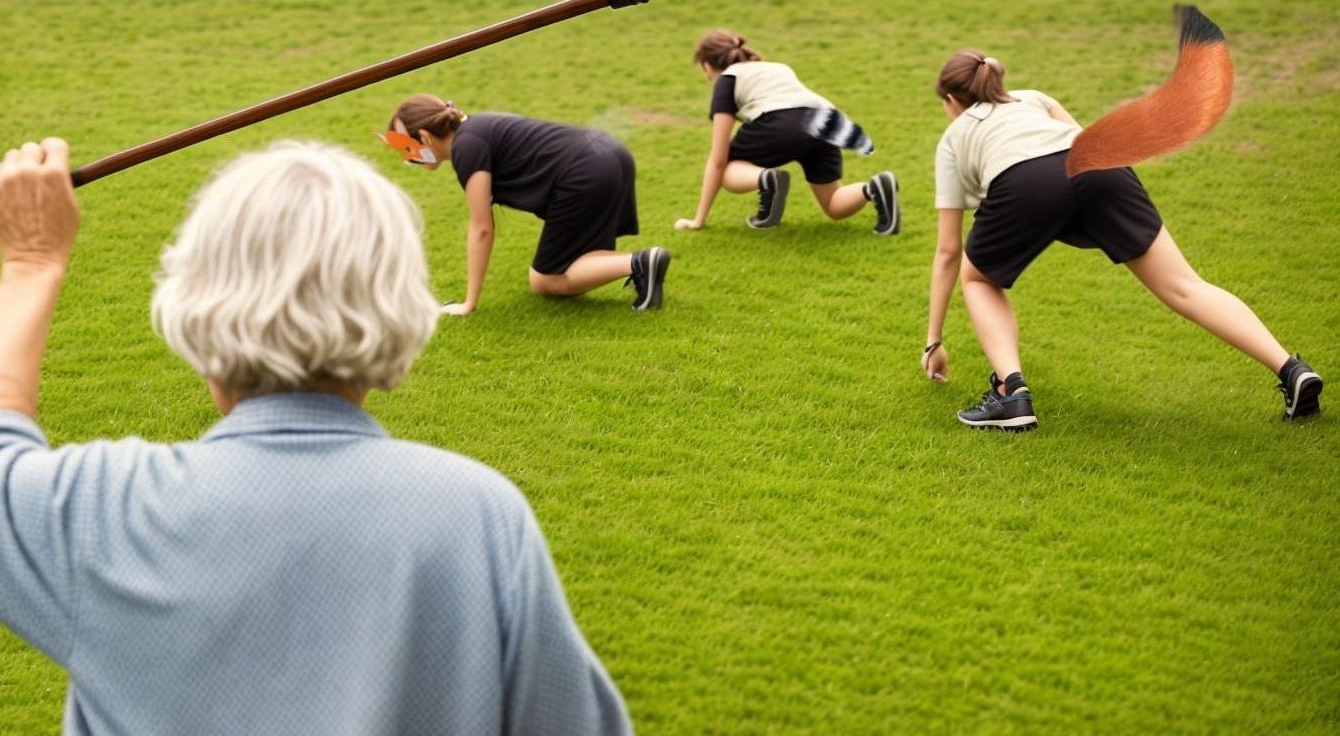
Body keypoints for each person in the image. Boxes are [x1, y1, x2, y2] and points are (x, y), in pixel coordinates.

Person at [0, 138, 634, 736]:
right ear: (396, 305)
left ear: (195, 302)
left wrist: (29, 267)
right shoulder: (476, 518)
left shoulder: (104, 507)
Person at [922, 50, 1323, 430]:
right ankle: (1291, 369)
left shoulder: (954, 136)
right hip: (1101, 169)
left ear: (953, 99)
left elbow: (948, 252)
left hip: (1027, 183)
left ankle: (1012, 395)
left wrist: (933, 340)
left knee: (979, 278)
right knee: (1184, 285)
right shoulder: (1034, 99)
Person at [384, 94, 670, 313]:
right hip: (610, 153)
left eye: (407, 149)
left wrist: (469, 303)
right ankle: (639, 266)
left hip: (585, 173)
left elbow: (482, 227)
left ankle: (639, 263)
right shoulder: (476, 128)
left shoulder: (466, 148)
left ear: (424, 137)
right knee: (569, 266)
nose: (407, 158)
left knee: (543, 280)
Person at [674, 29, 900, 234]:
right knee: (833, 205)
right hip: (826, 120)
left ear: (707, 64)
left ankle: (767, 179)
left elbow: (718, 158)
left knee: (727, 168)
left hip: (782, 121)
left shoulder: (727, 79)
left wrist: (698, 219)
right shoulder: (777, 67)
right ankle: (873, 187)